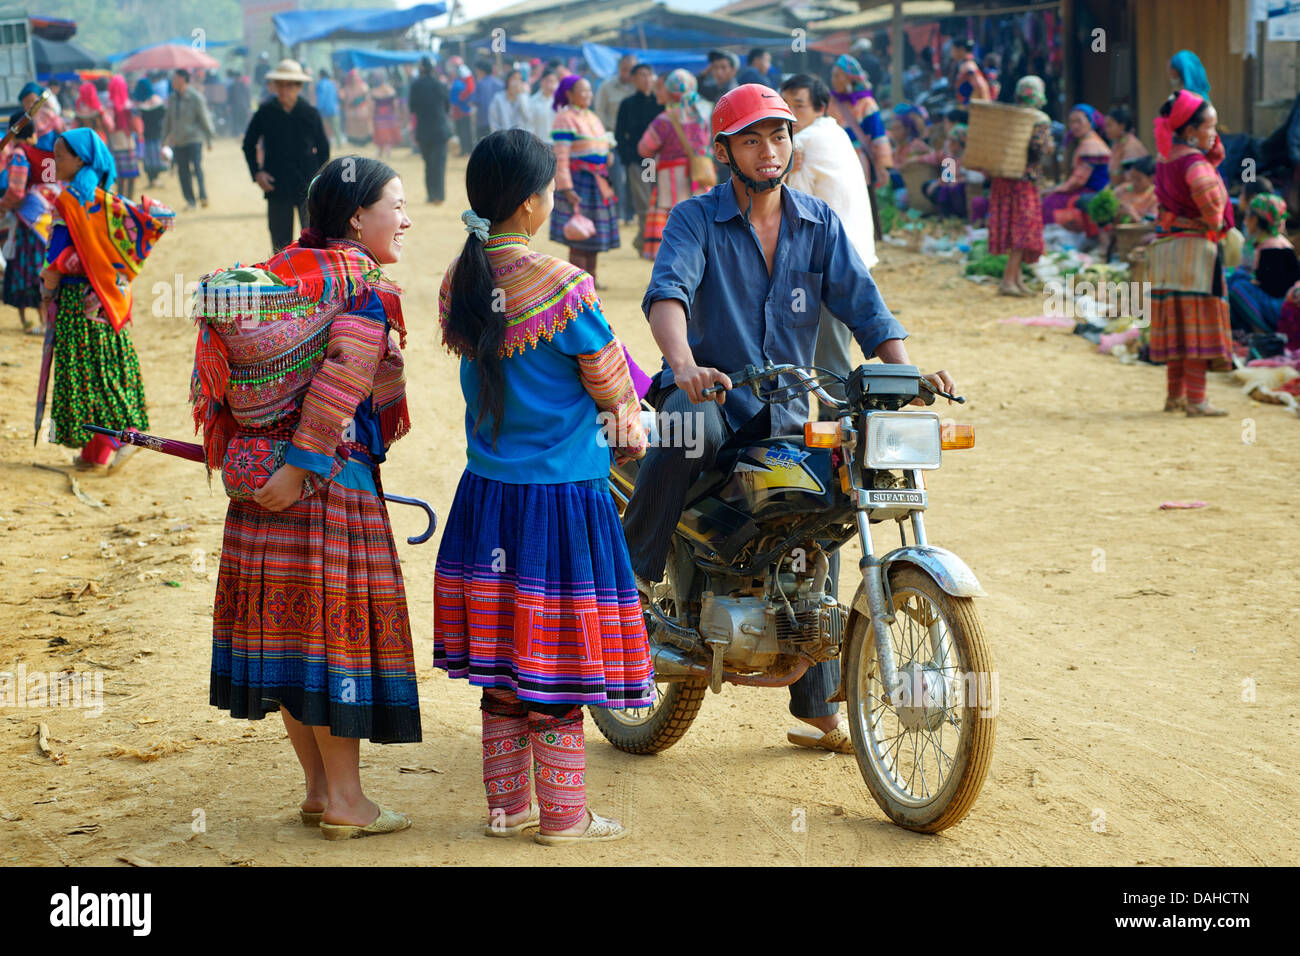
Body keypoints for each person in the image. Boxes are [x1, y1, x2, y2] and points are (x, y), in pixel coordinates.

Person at [620, 85, 953, 754]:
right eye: (751, 139)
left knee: (825, 502)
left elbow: (867, 308)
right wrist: (683, 363)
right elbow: (668, 296)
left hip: (790, 410)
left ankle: (818, 701)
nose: (769, 150)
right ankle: (630, 585)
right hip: (712, 396)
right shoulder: (694, 220)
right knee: (692, 427)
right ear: (724, 151)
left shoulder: (817, 222)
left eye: (778, 136)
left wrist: (903, 372)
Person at [192, 155, 418, 839]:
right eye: (396, 205)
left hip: (257, 486)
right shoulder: (361, 289)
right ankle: (349, 801)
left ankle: (320, 792)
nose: (405, 219)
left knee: (290, 638)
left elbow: (230, 389)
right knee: (330, 641)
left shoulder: (274, 273)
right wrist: (301, 470)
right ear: (356, 217)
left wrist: (271, 475)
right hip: (321, 488)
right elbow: (338, 390)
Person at [435, 128, 651, 844]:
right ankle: (564, 816)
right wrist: (633, 433)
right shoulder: (563, 284)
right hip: (560, 500)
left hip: (488, 497)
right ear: (531, 204)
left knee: (503, 661)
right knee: (557, 659)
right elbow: (613, 383)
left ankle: (508, 809)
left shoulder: (459, 282)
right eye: (551, 188)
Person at [40, 129, 173, 473]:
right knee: (108, 365)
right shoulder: (107, 201)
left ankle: (126, 436)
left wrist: (46, 288)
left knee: (88, 372)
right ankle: (96, 452)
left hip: (76, 299)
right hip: (109, 297)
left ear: (81, 160)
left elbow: (57, 256)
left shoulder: (69, 201)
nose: (54, 162)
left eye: (60, 156)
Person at [781, 72, 878, 421]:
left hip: (828, 262)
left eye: (799, 106)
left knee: (828, 357)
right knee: (827, 351)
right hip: (853, 254)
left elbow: (791, 206)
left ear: (820, 107)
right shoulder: (834, 130)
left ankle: (838, 436)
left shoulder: (803, 142)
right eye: (785, 104)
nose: (790, 112)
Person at [1149, 90, 1233, 417]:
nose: (1214, 133)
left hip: (1168, 251)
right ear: (1189, 130)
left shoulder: (1165, 158)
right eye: (1209, 127)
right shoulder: (1195, 166)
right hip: (1195, 254)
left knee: (1177, 325)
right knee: (1197, 326)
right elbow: (1213, 214)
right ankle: (1197, 400)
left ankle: (1174, 396)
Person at [242, 59, 331, 253]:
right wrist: (257, 173)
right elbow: (248, 144)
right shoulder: (265, 112)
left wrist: (319, 181)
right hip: (276, 185)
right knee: (279, 244)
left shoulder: (310, 113)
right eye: (280, 85)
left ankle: (309, 282)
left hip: (307, 187)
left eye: (289, 85)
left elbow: (324, 149)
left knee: (313, 242)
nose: (284, 90)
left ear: (299, 87)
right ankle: (283, 282)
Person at [984, 75, 1053, 296]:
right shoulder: (1039, 119)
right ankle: (1008, 281)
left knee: (1015, 229)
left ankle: (1017, 279)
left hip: (1003, 180)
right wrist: (1049, 146)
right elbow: (1038, 148)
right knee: (1023, 231)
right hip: (1024, 182)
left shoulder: (1008, 116)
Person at [550, 75, 620, 283]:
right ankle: (578, 282)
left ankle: (592, 278)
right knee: (578, 234)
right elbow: (560, 156)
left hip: (597, 182)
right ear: (569, 94)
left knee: (593, 233)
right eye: (583, 90)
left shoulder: (592, 117)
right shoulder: (564, 118)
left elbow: (600, 143)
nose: (588, 94)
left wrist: (606, 155)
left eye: (589, 90)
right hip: (578, 182)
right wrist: (566, 187)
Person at [637, 69, 710, 261]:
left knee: (670, 230)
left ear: (671, 92)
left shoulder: (665, 119)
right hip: (699, 178)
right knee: (698, 228)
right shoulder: (702, 115)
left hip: (670, 182)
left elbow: (645, 148)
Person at [1, 109, 58, 334]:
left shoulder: (19, 155)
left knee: (31, 270)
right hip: (48, 216)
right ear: (33, 135)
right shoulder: (42, 153)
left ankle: (42, 321)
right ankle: (46, 320)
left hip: (29, 220)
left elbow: (16, 191)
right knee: (45, 267)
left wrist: (3, 206)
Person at [1227, 193, 1299, 335]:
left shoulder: (1270, 247)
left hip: (1281, 308)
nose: (1245, 221)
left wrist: (1253, 282)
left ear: (1255, 220)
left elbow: (1275, 289)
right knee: (1237, 278)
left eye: (1248, 216)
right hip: (1283, 305)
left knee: (1237, 288)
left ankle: (1264, 334)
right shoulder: (1277, 242)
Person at [614, 63, 662, 254]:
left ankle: (646, 239)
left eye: (649, 74)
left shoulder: (660, 102)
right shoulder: (628, 104)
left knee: (656, 201)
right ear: (633, 79)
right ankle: (644, 241)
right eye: (641, 75)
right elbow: (620, 133)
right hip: (639, 160)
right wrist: (627, 157)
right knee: (643, 201)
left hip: (657, 160)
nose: (646, 79)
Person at [828, 54, 891, 192]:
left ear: (851, 78)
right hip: (833, 161)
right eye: (833, 76)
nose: (834, 80)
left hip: (859, 163)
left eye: (838, 76)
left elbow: (878, 134)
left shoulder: (867, 103)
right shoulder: (829, 103)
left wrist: (882, 165)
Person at [1042, 104, 1110, 226]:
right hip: (1087, 189)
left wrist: (1055, 189)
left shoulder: (1091, 145)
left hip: (1094, 191)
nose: (1074, 126)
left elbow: (1078, 180)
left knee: (1050, 202)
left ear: (1090, 122)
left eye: (1079, 121)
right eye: (1071, 122)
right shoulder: (1086, 142)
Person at [594, 53, 638, 224]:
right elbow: (600, 113)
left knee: (637, 176)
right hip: (612, 140)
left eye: (630, 70)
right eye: (623, 69)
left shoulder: (641, 85)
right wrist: (606, 138)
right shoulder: (607, 86)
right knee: (617, 177)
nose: (627, 73)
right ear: (619, 69)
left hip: (636, 142)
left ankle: (632, 213)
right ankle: (619, 214)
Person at [164, 68, 215, 210]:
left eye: (175, 78)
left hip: (194, 138)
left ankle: (202, 195)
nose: (173, 81)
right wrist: (163, 142)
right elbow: (167, 121)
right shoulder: (172, 98)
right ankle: (190, 201)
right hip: (179, 141)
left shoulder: (195, 97)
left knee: (197, 167)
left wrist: (209, 139)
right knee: (183, 171)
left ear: (182, 79)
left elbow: (204, 119)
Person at [409, 57, 451, 205]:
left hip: (424, 130)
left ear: (421, 68)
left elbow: (412, 108)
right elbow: (447, 107)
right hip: (440, 129)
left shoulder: (415, 86)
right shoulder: (441, 85)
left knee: (428, 164)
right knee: (439, 163)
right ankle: (439, 196)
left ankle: (431, 194)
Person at [105, 76, 140, 200]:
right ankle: (130, 199)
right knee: (131, 175)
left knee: (120, 176)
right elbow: (136, 124)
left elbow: (109, 126)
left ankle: (120, 199)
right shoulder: (129, 105)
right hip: (129, 142)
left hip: (115, 143)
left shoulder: (110, 105)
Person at [131, 77, 166, 189]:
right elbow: (163, 116)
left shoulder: (137, 103)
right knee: (155, 158)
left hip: (144, 135)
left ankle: (152, 179)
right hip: (156, 134)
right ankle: (154, 179)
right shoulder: (157, 101)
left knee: (148, 159)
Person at [1104, 106, 1149, 183]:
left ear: (1122, 126)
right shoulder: (1118, 144)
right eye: (1106, 126)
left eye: (1110, 125)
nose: (1106, 129)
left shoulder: (1131, 147)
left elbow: (1131, 181)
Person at [1113, 155, 1158, 222]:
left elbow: (1151, 226)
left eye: (1138, 179)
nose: (1133, 182)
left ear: (1151, 178)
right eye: (1132, 177)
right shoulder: (1122, 190)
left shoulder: (1154, 197)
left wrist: (1132, 214)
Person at [369, 71, 402, 159]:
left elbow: (372, 105)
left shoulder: (374, 91)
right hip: (390, 115)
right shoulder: (391, 90)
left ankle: (381, 151)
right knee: (389, 134)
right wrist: (396, 114)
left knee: (381, 134)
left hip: (379, 116)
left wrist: (371, 115)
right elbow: (395, 103)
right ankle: (387, 151)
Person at [488, 68, 531, 133]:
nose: (516, 82)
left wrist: (520, 96)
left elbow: (528, 118)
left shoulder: (524, 97)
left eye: (519, 79)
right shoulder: (498, 98)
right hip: (503, 138)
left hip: (520, 138)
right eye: (514, 79)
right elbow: (493, 121)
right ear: (508, 81)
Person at [470, 61, 502, 146]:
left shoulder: (480, 84)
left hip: (483, 120)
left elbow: (474, 101)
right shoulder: (499, 83)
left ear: (481, 71)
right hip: (498, 121)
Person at [448, 58, 475, 156]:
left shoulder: (465, 74)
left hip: (464, 108)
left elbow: (470, 89)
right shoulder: (456, 76)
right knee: (460, 130)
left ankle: (467, 150)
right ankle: (463, 150)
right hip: (457, 109)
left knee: (465, 130)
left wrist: (460, 98)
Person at [342, 69, 373, 147]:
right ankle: (355, 141)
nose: (354, 79)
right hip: (352, 111)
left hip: (362, 110)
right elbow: (343, 98)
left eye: (355, 77)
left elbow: (367, 98)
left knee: (363, 126)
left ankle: (364, 141)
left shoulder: (363, 86)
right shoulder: (347, 88)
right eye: (352, 77)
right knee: (353, 127)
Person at [527, 70, 560, 141]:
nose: (549, 85)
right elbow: (529, 125)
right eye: (547, 81)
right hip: (540, 144)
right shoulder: (532, 101)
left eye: (553, 82)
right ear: (541, 82)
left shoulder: (561, 102)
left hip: (557, 144)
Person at [315, 68, 340, 144]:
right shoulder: (332, 84)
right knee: (336, 128)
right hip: (334, 109)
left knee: (324, 128)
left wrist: (318, 108)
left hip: (324, 110)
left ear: (320, 75)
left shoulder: (320, 84)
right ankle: (339, 144)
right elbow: (335, 96)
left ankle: (327, 143)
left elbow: (321, 97)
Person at [226, 70, 252, 140]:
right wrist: (248, 107)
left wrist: (228, 106)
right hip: (241, 106)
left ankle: (238, 133)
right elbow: (248, 97)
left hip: (237, 107)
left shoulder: (233, 86)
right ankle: (239, 133)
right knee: (239, 120)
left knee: (238, 120)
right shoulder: (243, 86)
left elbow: (229, 98)